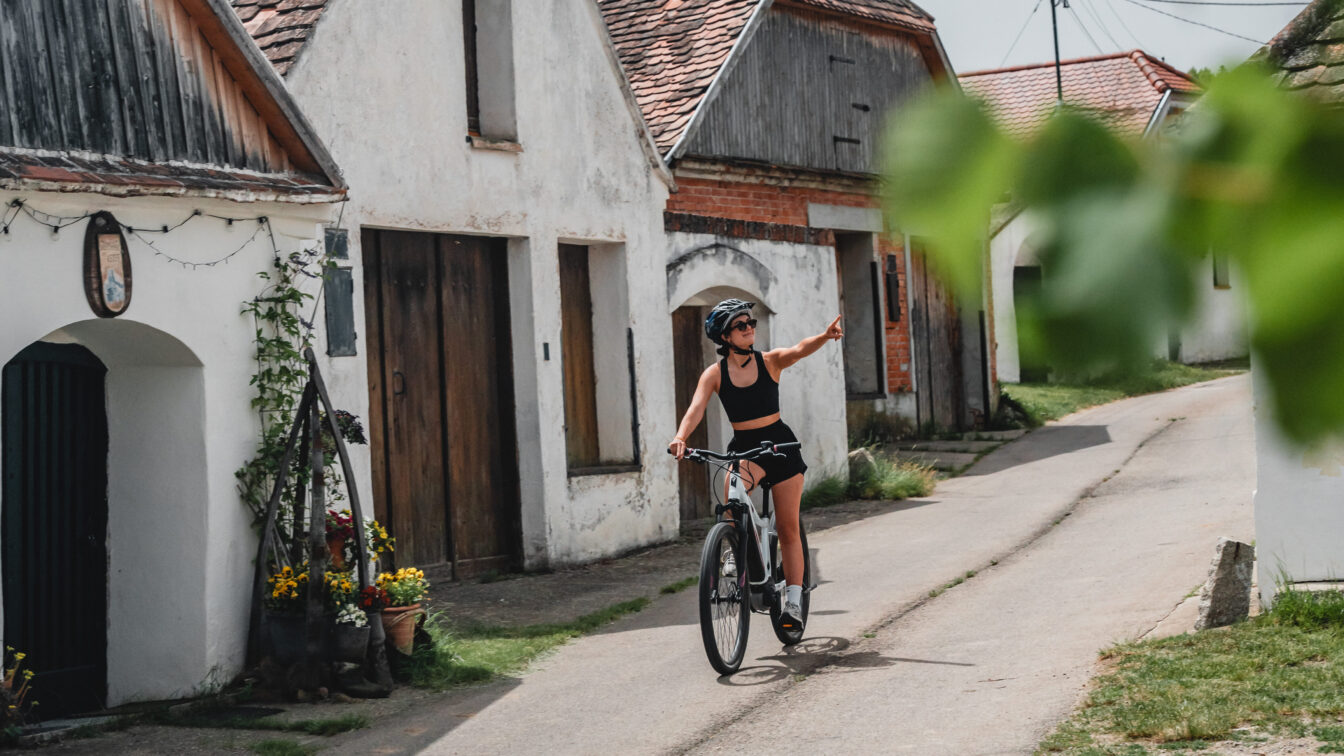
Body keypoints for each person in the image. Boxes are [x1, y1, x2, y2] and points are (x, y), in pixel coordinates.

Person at [669, 298, 843, 627]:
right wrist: (681, 437)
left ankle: (793, 604)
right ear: (725, 336)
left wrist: (823, 337)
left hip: (780, 446)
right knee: (731, 493)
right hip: (746, 448)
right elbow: (696, 408)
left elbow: (799, 350)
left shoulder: (770, 361)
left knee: (788, 528)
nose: (749, 328)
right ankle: (733, 550)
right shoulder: (715, 374)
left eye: (751, 323)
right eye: (741, 325)